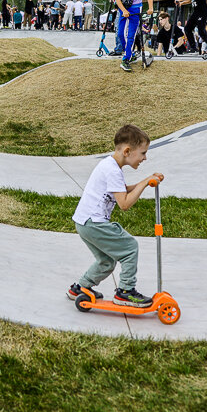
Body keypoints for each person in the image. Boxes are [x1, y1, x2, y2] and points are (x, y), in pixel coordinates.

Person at [67, 124, 163, 308]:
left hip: (84, 222)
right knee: (129, 247)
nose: (145, 158)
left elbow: (120, 189)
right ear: (127, 151)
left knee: (106, 261)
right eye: (142, 153)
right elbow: (124, 204)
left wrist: (146, 180)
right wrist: (144, 183)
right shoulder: (112, 170)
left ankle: (80, 288)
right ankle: (125, 292)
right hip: (94, 223)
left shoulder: (109, 165)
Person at [115, 0, 154, 72]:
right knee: (120, 34)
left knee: (130, 35)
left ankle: (126, 59)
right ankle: (129, 53)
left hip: (136, 9)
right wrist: (123, 11)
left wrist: (150, 8)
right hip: (123, 9)